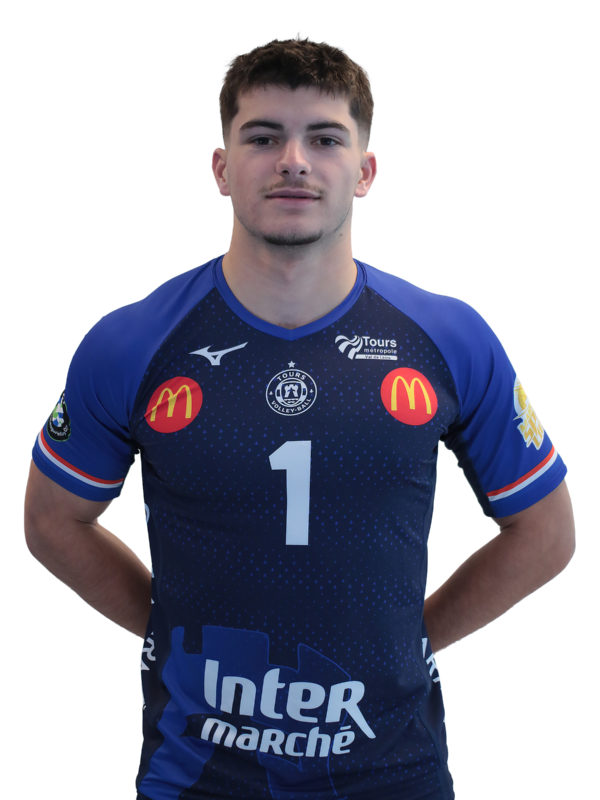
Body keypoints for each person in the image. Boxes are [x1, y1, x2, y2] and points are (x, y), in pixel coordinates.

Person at [24, 38, 575, 800]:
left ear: (365, 171)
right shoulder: (134, 342)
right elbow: (51, 521)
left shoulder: (447, 338)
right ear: (221, 168)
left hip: (393, 773)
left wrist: (411, 640)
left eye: (324, 139)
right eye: (262, 137)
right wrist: (169, 629)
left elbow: (546, 532)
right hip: (198, 774)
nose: (293, 161)